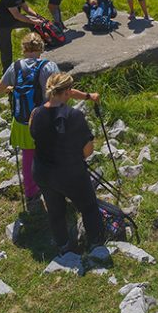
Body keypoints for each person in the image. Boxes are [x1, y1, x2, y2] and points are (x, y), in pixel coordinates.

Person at [0, 33, 99, 209]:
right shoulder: (49, 67)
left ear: (24, 49)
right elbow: (66, 91)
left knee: (28, 157)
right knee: (55, 154)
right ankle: (61, 187)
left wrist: (12, 88)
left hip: (22, 122)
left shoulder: (15, 66)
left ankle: (31, 194)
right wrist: (89, 96)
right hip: (46, 119)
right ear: (41, 49)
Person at [29, 73, 103, 254]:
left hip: (43, 172)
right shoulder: (74, 116)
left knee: (55, 212)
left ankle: (63, 245)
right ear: (68, 92)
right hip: (70, 173)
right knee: (88, 207)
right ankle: (95, 244)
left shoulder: (36, 113)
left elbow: (33, 135)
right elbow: (88, 150)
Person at [0, 0, 42, 73]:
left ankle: (38, 46)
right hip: (2, 25)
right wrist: (33, 20)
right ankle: (7, 72)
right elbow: (17, 15)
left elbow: (26, 8)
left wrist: (37, 16)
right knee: (6, 49)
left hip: (13, 20)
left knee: (34, 24)